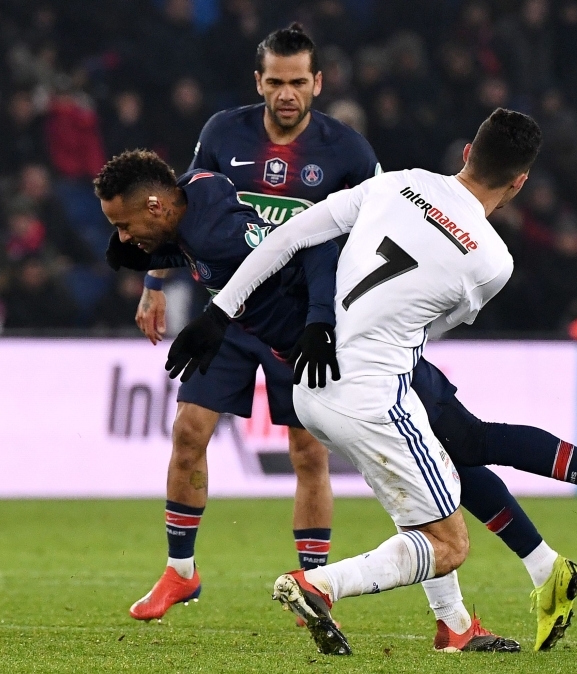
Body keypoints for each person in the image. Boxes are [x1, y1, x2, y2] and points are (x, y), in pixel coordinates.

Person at [165, 109, 577, 655]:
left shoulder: (396, 182)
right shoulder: (493, 261)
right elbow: (432, 327)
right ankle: (322, 585)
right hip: (378, 382)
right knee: (455, 498)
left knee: (446, 461)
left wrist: (219, 312)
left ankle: (503, 595)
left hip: (310, 380)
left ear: (465, 153)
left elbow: (290, 236)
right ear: (520, 182)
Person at [129, 24, 379, 627]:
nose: (286, 93)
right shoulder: (222, 132)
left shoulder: (348, 152)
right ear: (258, 82)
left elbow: (375, 237)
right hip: (227, 315)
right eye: (276, 82)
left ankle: (313, 583)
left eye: (298, 82)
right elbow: (176, 212)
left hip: (300, 324)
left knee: (306, 449)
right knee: (189, 431)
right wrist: (154, 283)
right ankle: (180, 573)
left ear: (317, 83)